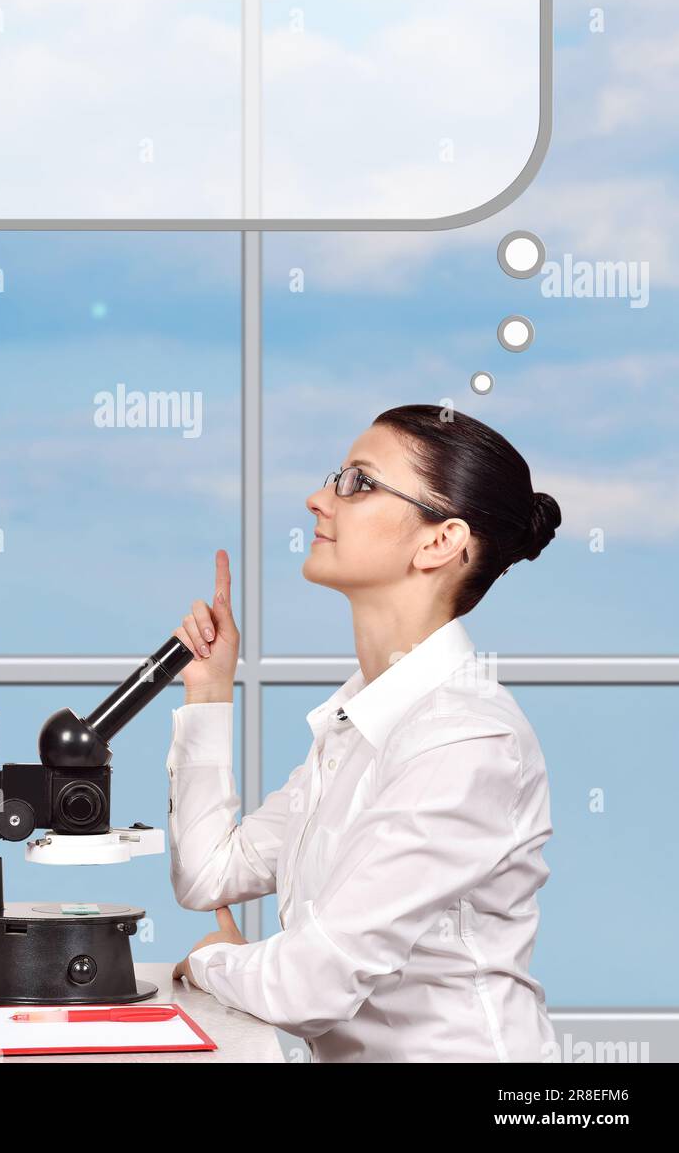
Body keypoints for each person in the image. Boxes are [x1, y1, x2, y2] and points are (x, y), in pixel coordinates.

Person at [168, 404, 561, 1062]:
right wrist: (209, 695)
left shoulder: (462, 742)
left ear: (439, 542)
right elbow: (209, 875)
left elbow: (307, 988)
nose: (318, 499)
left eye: (359, 483)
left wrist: (215, 963)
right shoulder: (361, 723)